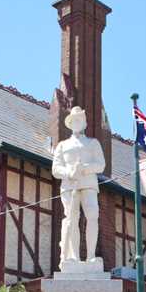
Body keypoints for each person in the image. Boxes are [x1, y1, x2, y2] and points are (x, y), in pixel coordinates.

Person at [51, 106, 106, 269]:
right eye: (74, 120)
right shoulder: (62, 145)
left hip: (88, 183)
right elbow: (56, 169)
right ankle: (73, 256)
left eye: (80, 119)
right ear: (70, 123)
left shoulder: (93, 143)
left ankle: (90, 256)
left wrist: (85, 168)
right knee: (72, 218)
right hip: (70, 185)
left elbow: (101, 165)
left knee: (92, 215)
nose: (77, 122)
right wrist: (69, 171)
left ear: (84, 123)